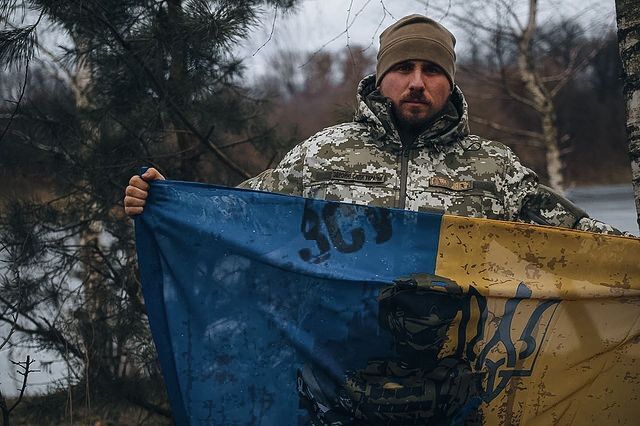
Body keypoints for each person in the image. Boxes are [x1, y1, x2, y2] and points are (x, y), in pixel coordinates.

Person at [124, 14, 624, 236]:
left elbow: (584, 241)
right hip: (337, 372)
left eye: (431, 71)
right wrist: (167, 201)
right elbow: (239, 215)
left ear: (450, 83)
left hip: (461, 378)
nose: (416, 82)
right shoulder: (324, 155)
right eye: (403, 70)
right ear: (380, 79)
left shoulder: (495, 169)